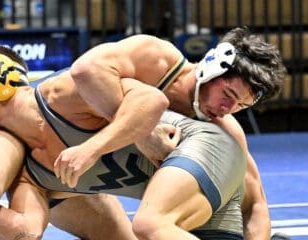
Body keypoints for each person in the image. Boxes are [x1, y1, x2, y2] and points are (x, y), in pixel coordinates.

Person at [0, 45, 247, 239]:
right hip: (181, 192)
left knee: (150, 225)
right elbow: (25, 232)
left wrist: (97, 147)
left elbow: (144, 96)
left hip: (196, 156)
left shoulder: (65, 94)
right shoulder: (28, 173)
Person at [64, 26, 287, 240]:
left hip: (92, 174)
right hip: (62, 148)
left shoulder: (224, 129)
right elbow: (86, 70)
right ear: (212, 65)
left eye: (240, 105)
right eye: (228, 94)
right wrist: (140, 133)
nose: (226, 109)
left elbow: (255, 203)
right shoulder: (158, 61)